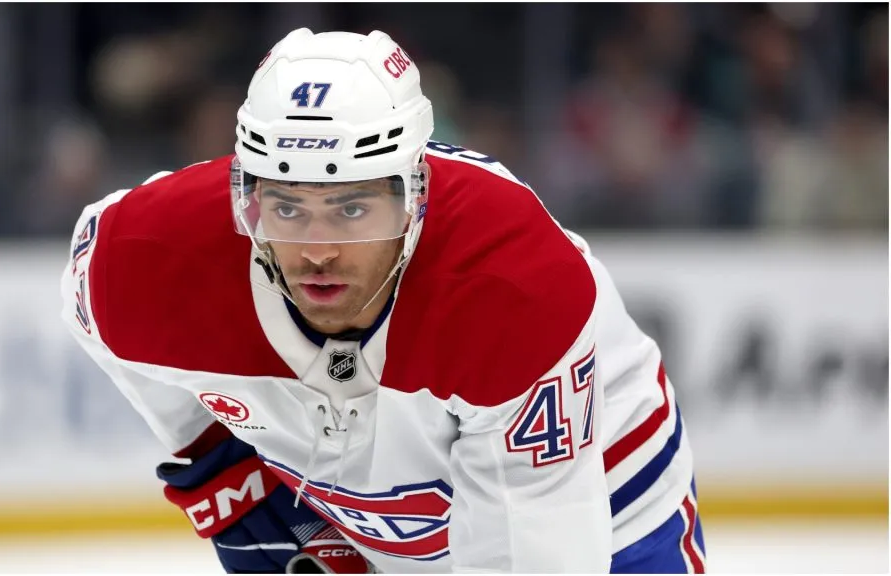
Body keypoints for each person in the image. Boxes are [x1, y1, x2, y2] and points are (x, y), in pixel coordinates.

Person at [62, 28, 706, 574]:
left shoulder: (511, 287)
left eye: (351, 208)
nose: (317, 252)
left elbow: (530, 544)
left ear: (415, 196)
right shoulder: (142, 257)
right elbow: (96, 308)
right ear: (246, 195)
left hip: (610, 497)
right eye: (287, 207)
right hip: (382, 517)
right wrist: (222, 470)